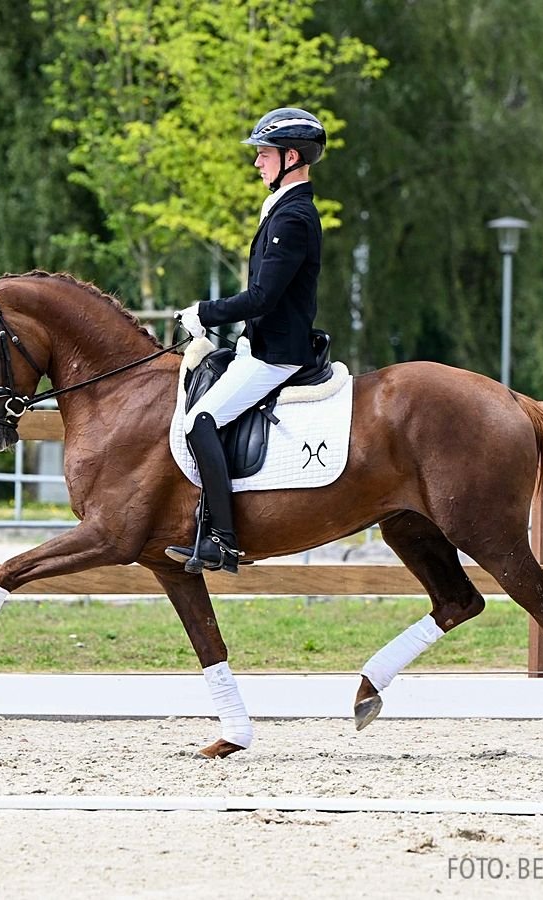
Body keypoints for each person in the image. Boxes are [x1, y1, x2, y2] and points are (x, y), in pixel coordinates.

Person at [166, 107, 326, 575]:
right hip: (258, 345)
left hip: (276, 353)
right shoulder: (282, 208)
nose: (257, 163)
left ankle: (224, 539)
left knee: (201, 421)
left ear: (290, 157)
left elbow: (262, 296)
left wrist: (204, 312)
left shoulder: (294, 217)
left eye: (263, 154)